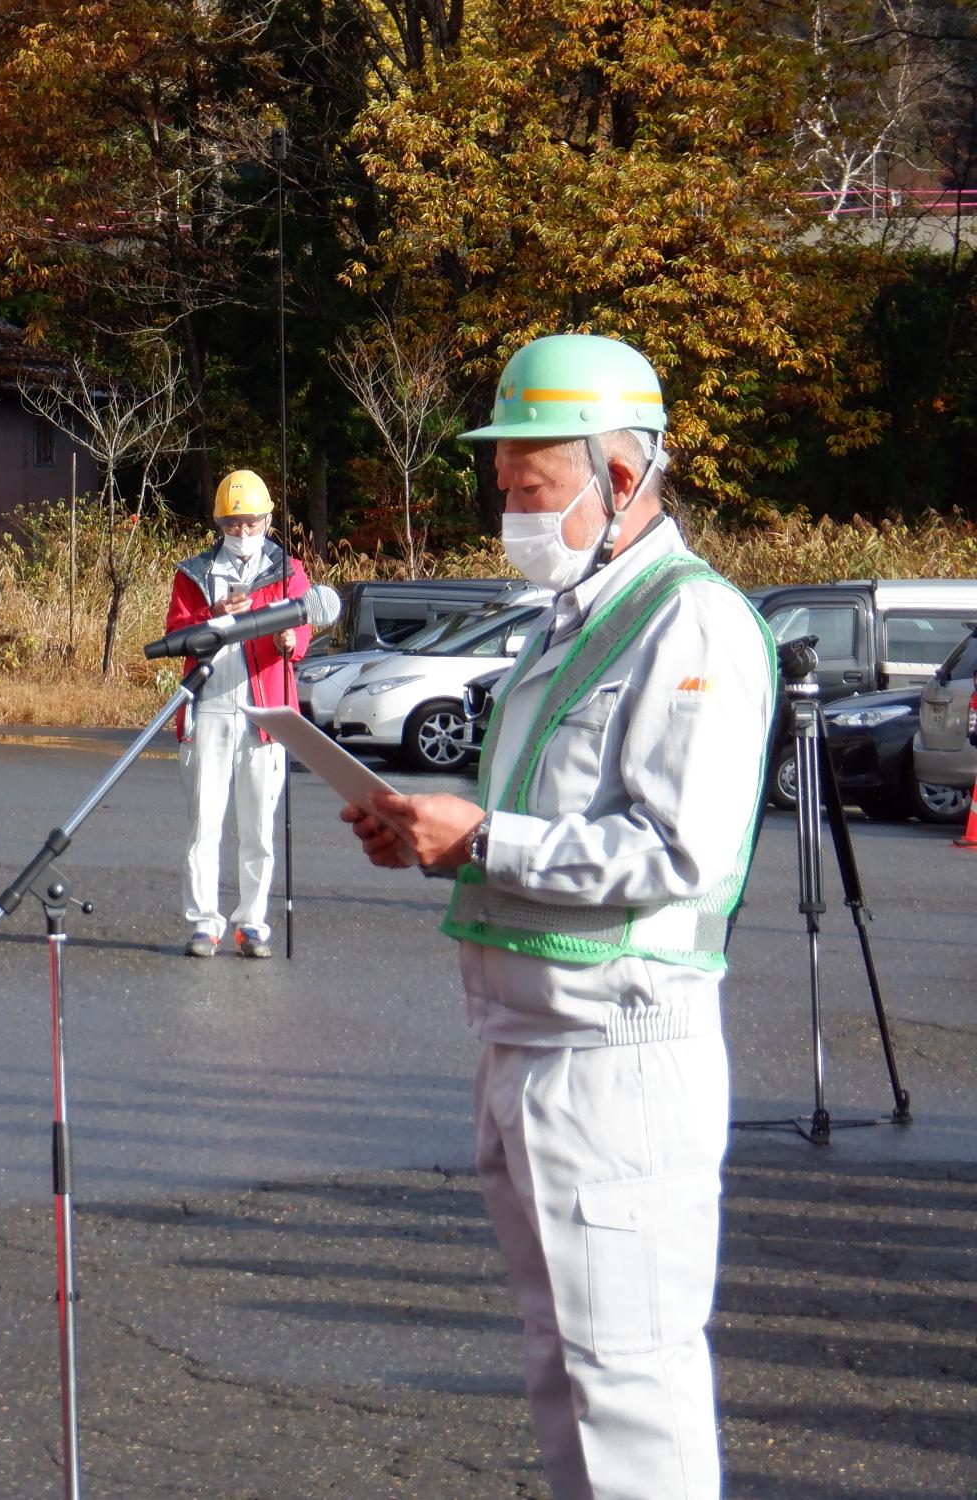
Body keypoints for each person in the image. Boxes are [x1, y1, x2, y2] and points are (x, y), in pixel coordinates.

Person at [342, 333, 774, 1500]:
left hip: (616, 1052)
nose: (511, 516)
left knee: (627, 1384)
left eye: (531, 491)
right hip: (525, 1040)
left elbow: (672, 853)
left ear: (619, 478)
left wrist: (479, 836)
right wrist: (439, 836)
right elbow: (546, 821)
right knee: (563, 1367)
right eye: (504, 492)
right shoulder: (571, 615)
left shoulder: (691, 626)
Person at [164, 470, 323, 959]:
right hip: (209, 706)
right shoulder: (194, 571)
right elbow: (175, 631)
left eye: (251, 523)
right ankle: (202, 923)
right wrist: (212, 613)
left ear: (268, 520)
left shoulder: (287, 570)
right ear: (219, 523)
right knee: (204, 825)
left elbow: (304, 624)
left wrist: (292, 642)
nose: (242, 533)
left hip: (265, 711)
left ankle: (252, 923)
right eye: (232, 524)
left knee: (257, 827)